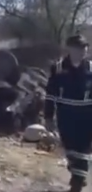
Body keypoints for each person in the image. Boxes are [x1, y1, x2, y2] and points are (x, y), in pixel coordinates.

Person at [44, 34, 92, 192]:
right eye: (78, 48)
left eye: (84, 48)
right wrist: (48, 117)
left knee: (84, 150)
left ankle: (77, 183)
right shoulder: (58, 68)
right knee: (70, 150)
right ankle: (77, 174)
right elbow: (50, 94)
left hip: (87, 117)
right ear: (69, 49)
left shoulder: (91, 68)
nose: (81, 51)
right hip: (66, 117)